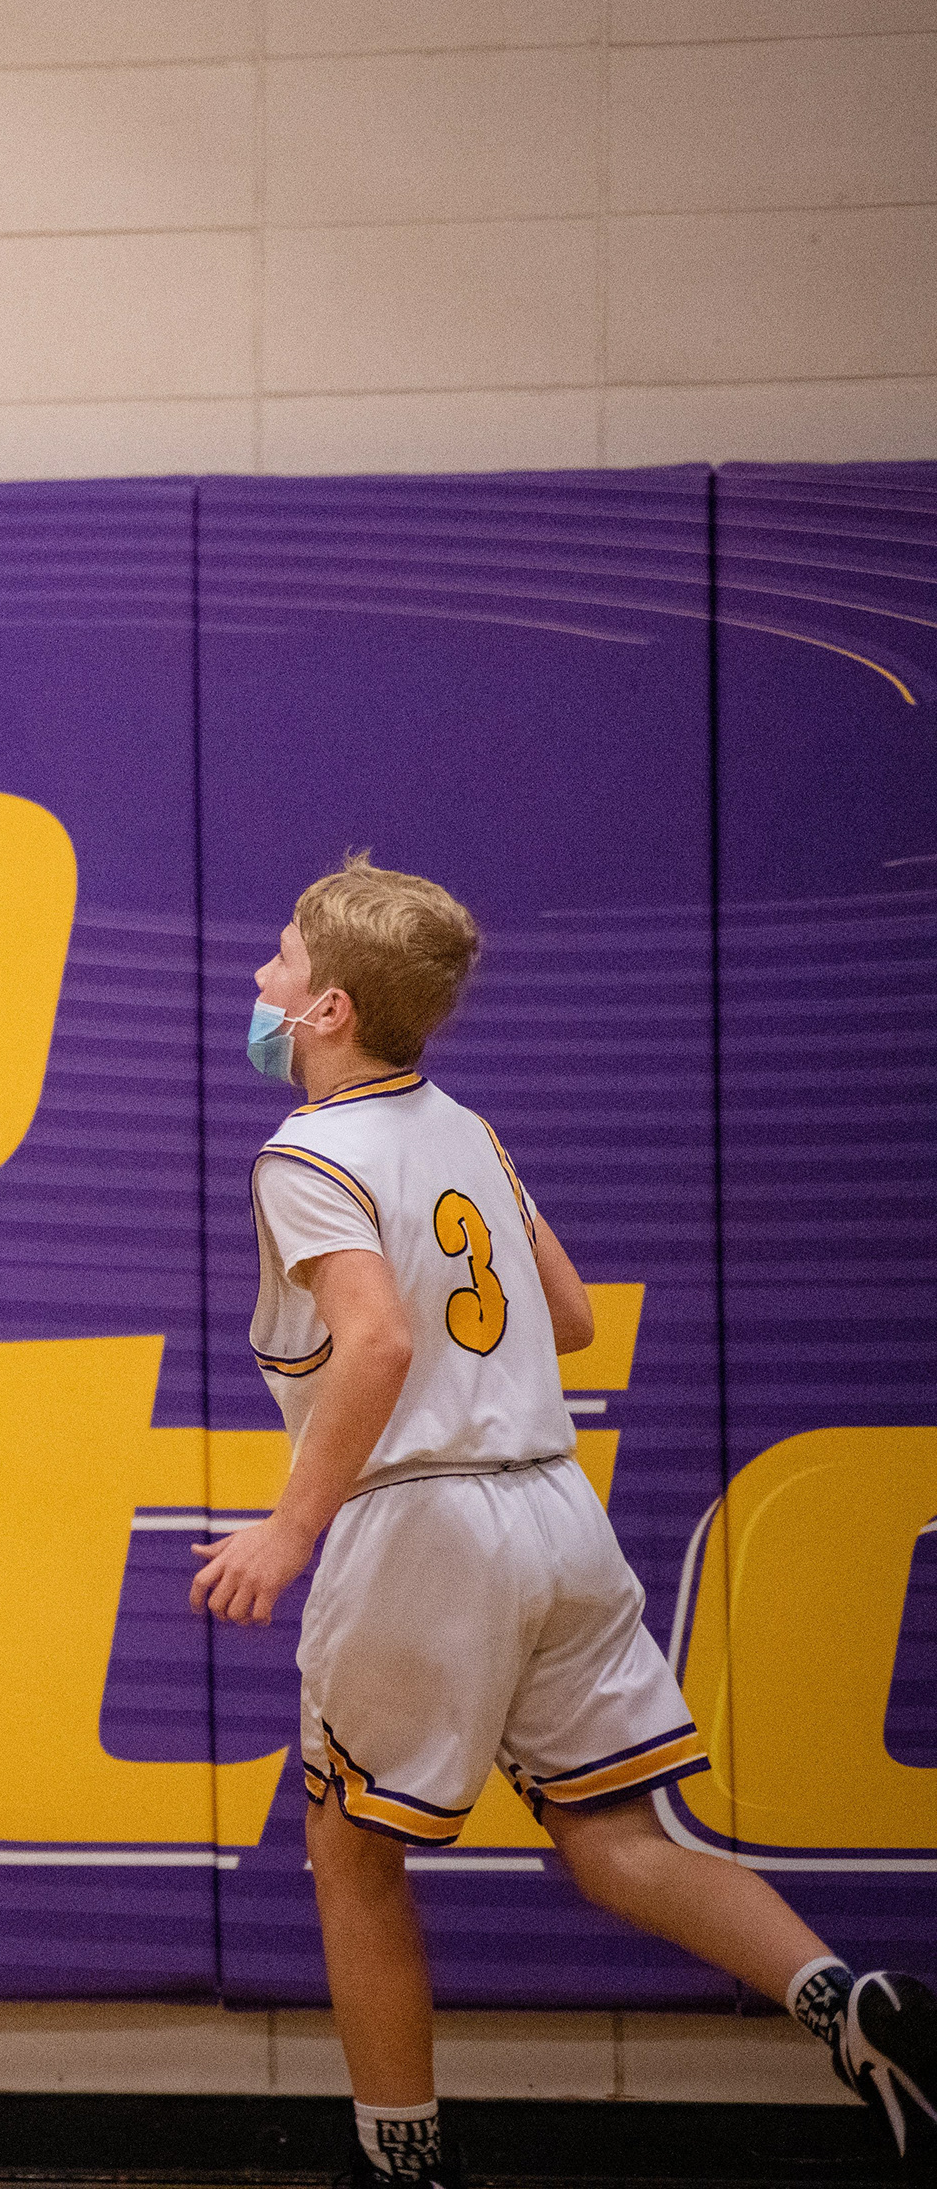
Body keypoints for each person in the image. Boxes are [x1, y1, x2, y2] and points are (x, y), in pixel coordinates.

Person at [193, 852, 935, 2186]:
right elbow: (575, 1316)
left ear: (330, 1010)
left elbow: (377, 1343)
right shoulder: (467, 1130)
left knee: (350, 1854)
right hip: (555, 1508)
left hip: (425, 1526)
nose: (262, 974)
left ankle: (402, 2163)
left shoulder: (307, 1153)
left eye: (284, 958)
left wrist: (290, 1530)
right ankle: (844, 2001)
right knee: (619, 1840)